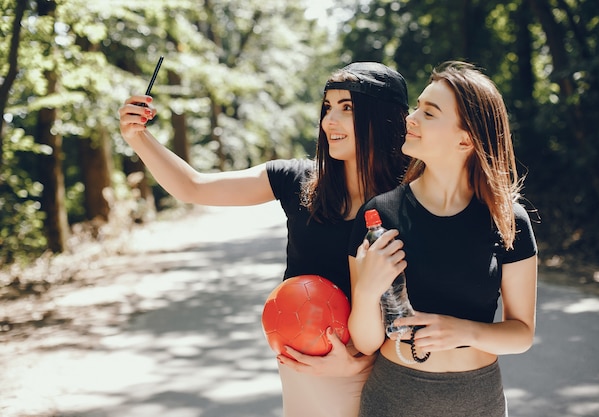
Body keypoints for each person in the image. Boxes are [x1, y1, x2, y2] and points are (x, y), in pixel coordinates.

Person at [118, 62, 411, 417]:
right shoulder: (296, 180)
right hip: (308, 366)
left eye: (347, 108)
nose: (329, 121)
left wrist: (357, 362)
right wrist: (138, 137)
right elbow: (192, 186)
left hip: (393, 371)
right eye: (328, 107)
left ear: (383, 119)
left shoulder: (412, 199)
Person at [347, 61, 538, 417]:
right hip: (393, 398)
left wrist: (462, 330)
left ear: (465, 138)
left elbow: (522, 333)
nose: (411, 118)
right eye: (417, 106)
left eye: (429, 112)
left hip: (478, 400)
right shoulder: (378, 216)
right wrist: (367, 291)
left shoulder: (509, 220)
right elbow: (366, 341)